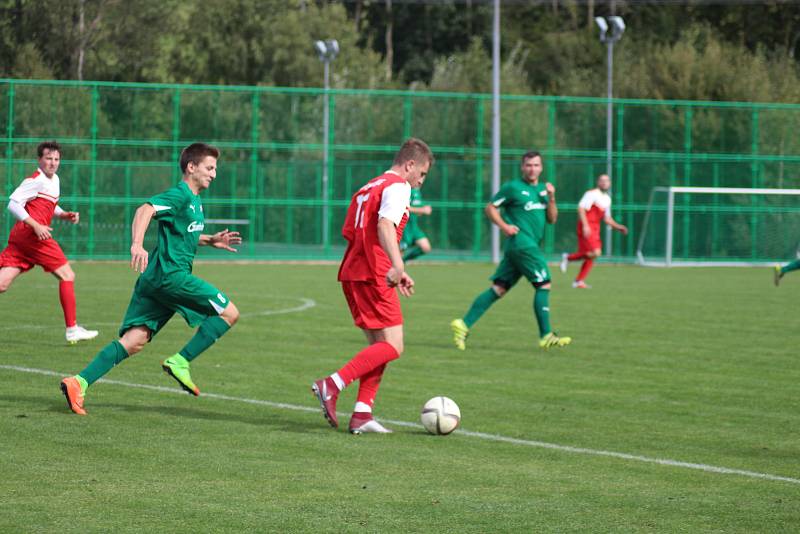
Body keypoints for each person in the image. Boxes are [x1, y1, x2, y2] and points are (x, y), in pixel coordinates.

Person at [60, 143, 242, 416]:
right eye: (209, 168)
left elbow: (182, 232)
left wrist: (209, 240)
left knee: (134, 341)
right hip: (172, 277)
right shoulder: (181, 194)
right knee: (229, 313)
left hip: (156, 279)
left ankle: (79, 381)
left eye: (215, 169)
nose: (214, 174)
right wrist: (137, 244)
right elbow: (145, 210)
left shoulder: (194, 200)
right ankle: (180, 361)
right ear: (191, 167)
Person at [312, 138, 433, 434]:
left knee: (379, 347)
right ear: (410, 165)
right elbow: (384, 226)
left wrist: (394, 266)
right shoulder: (399, 186)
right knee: (393, 346)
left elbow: (354, 231)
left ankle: (362, 413)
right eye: (423, 172)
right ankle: (332, 384)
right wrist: (397, 264)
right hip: (373, 272)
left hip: (353, 269)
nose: (422, 179)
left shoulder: (369, 186)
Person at [450, 151, 571, 351]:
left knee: (499, 288)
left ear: (541, 167)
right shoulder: (513, 187)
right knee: (544, 284)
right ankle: (546, 334)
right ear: (522, 167)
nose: (532, 169)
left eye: (536, 165)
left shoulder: (543, 190)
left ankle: (463, 324)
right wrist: (505, 227)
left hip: (524, 246)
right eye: (528, 165)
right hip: (522, 244)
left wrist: (551, 198)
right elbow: (490, 208)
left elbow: (552, 219)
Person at [0, 141, 98, 344]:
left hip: (22, 238)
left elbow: (48, 204)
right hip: (34, 238)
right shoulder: (35, 180)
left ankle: (72, 329)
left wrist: (63, 215)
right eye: (48, 158)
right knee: (67, 274)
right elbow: (13, 204)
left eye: (56, 159)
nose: (53, 163)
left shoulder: (54, 180)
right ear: (39, 160)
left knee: (2, 283)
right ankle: (72, 329)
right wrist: (35, 225)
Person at [560, 174, 627, 288]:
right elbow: (581, 208)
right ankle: (568, 258)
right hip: (586, 226)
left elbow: (607, 218)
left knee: (592, 255)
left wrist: (618, 227)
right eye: (602, 180)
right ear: (598, 182)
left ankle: (578, 280)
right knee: (596, 252)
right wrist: (585, 226)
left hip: (595, 228)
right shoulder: (591, 194)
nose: (604, 183)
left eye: (606, 181)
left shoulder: (607, 199)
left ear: (610, 183)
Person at [401, 188, 432, 262]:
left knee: (426, 247)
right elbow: (403, 208)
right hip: (404, 228)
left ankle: (403, 261)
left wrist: (424, 209)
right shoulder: (405, 190)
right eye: (420, 176)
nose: (421, 180)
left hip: (414, 228)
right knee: (399, 253)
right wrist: (422, 210)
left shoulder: (417, 192)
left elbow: (418, 209)